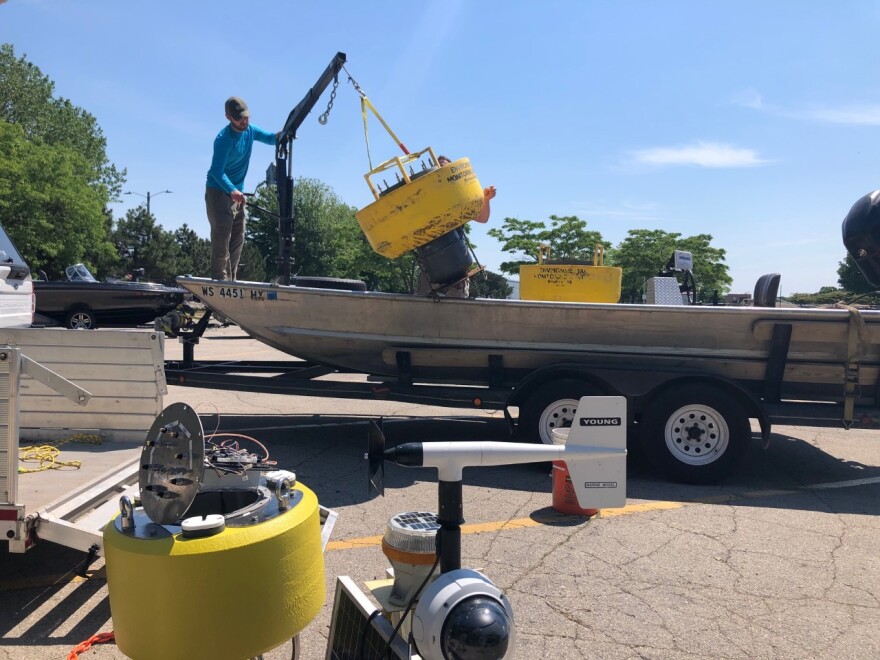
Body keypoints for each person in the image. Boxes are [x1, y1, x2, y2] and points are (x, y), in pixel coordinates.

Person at [205, 96, 277, 281]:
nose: (244, 121)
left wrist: (285, 134)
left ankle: (232, 282)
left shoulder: (250, 131)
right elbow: (216, 171)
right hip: (219, 192)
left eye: (246, 117)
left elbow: (270, 138)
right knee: (222, 240)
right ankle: (220, 283)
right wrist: (232, 190)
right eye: (239, 118)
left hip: (237, 194)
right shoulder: (223, 140)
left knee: (238, 239)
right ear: (228, 117)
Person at [414, 155, 497, 297]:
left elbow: (483, 218)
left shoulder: (458, 200)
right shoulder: (422, 201)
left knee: (458, 311)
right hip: (430, 270)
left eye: (444, 168)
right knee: (422, 312)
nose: (440, 170)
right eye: (437, 167)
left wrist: (486, 199)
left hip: (458, 269)